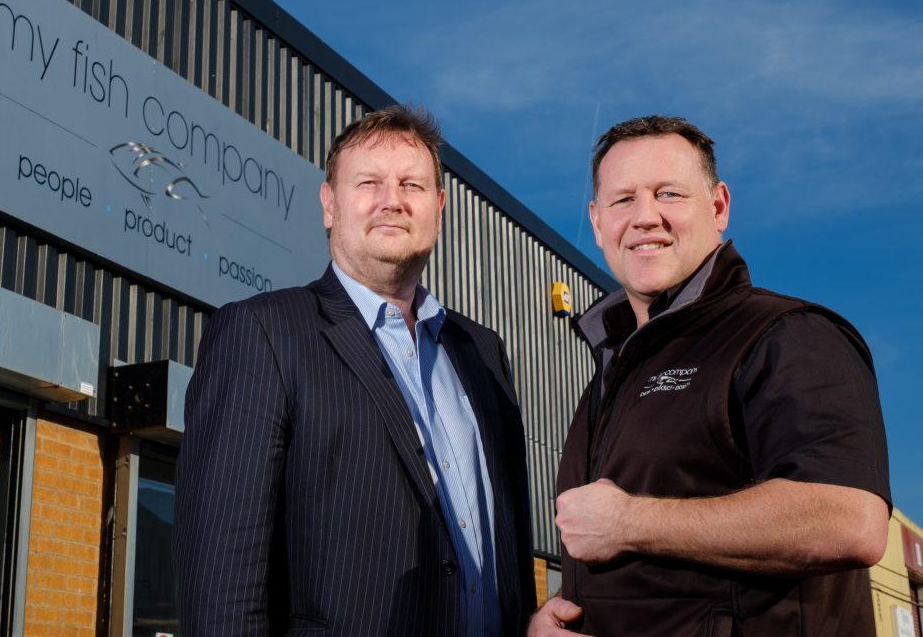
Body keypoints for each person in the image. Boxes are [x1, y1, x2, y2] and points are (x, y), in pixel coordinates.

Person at [174, 105, 538, 636]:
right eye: (369, 182)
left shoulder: (483, 352)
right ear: (329, 204)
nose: (392, 200)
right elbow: (220, 579)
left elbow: (510, 546)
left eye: (412, 185)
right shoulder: (262, 333)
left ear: (438, 207)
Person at [530, 115, 891, 636]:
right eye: (623, 199)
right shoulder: (610, 374)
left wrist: (630, 521)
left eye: (668, 193)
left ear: (718, 206)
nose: (645, 217)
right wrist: (560, 611)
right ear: (596, 219)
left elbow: (848, 520)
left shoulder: (786, 334)